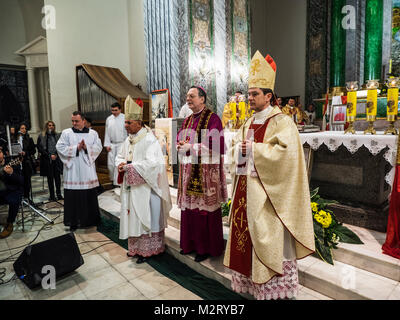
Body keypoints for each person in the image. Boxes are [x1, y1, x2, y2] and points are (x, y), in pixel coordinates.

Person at [223, 51, 315, 300]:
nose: (249, 98)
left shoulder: (282, 122)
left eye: (254, 94)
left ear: (269, 96)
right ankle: (252, 284)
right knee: (246, 239)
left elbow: (287, 156)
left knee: (269, 239)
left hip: (269, 197)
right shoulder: (247, 122)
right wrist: (239, 152)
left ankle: (273, 289)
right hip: (245, 193)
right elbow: (234, 151)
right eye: (249, 93)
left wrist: (254, 149)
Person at [116, 95, 172, 264]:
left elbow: (154, 164)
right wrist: (120, 164)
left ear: (139, 123)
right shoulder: (129, 140)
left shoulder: (149, 140)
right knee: (134, 217)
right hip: (133, 188)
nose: (125, 126)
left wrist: (131, 167)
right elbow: (119, 156)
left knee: (146, 217)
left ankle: (150, 250)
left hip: (147, 189)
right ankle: (136, 248)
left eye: (128, 123)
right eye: (125, 123)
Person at [177, 86, 228, 262]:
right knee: (190, 209)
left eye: (192, 96)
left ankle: (205, 248)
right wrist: (180, 144)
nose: (188, 99)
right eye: (187, 96)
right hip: (189, 171)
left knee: (203, 211)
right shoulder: (187, 120)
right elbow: (180, 138)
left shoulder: (213, 119)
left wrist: (191, 147)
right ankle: (189, 244)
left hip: (207, 174)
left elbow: (216, 145)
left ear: (202, 99)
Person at [56, 111, 103, 231]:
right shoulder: (66, 133)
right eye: (72, 121)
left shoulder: (93, 133)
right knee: (73, 196)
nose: (74, 123)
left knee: (89, 195)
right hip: (73, 170)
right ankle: (73, 222)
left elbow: (98, 147)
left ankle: (90, 221)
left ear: (84, 121)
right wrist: (76, 148)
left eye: (76, 121)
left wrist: (86, 147)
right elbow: (59, 147)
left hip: (87, 170)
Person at [37, 121, 63, 201]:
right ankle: (52, 195)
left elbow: (60, 146)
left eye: (52, 125)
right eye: (49, 125)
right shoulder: (42, 136)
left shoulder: (57, 135)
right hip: (47, 159)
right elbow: (39, 148)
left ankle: (59, 194)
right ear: (46, 126)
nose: (51, 127)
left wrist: (55, 154)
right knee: (50, 178)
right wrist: (49, 155)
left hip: (56, 158)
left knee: (57, 177)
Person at [0, 149, 23, 239]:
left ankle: (9, 223)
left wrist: (11, 173)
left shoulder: (12, 163)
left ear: (3, 153)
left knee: (14, 200)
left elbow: (21, 180)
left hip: (11, 191)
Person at [104, 102, 127, 186]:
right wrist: (107, 144)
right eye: (112, 110)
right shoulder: (109, 119)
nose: (114, 112)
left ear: (120, 110)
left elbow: (127, 132)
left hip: (122, 143)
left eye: (116, 110)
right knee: (110, 165)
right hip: (112, 144)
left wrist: (126, 144)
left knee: (119, 163)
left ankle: (119, 183)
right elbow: (107, 132)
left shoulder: (125, 118)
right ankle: (112, 180)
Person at [17, 123, 36, 202]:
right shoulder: (16, 139)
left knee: (27, 180)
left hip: (26, 161)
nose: (23, 130)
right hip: (17, 162)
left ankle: (27, 196)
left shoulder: (29, 139)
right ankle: (20, 197)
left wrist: (26, 153)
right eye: (22, 128)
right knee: (19, 179)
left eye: (25, 128)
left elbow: (33, 150)